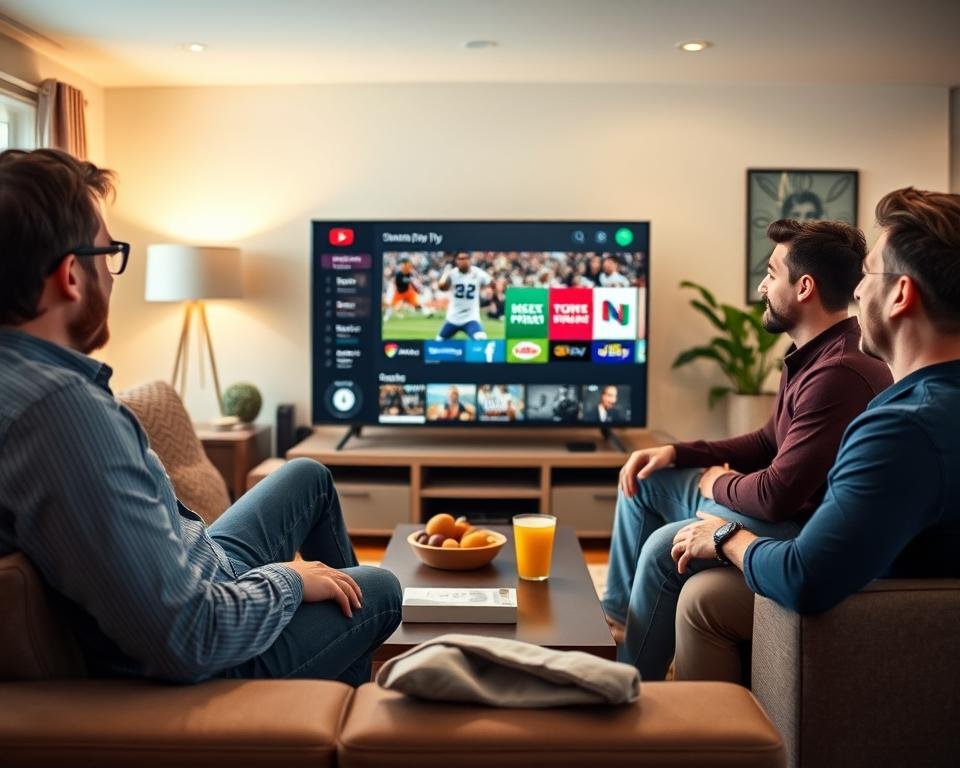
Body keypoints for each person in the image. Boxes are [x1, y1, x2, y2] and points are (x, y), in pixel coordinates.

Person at [0, 148, 402, 685]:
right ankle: (321, 713)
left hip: (204, 572)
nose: (114, 277)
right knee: (378, 588)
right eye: (110, 254)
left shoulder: (28, 383)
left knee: (308, 475)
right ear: (71, 275)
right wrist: (287, 580)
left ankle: (331, 666)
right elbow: (188, 637)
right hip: (218, 651)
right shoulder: (60, 414)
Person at [670, 187, 960, 681]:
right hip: (910, 591)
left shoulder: (902, 427)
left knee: (701, 596)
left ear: (901, 295)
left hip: (891, 620)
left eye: (868, 274)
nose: (859, 291)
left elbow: (805, 576)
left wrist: (726, 538)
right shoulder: (926, 403)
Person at [603, 218, 892, 679]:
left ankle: (627, 680)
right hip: (785, 509)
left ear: (804, 287)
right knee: (649, 477)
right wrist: (678, 453)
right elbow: (766, 441)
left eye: (772, 273)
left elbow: (779, 494)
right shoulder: (812, 352)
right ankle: (617, 626)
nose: (762, 284)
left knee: (664, 545)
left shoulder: (839, 371)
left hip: (800, 526)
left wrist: (716, 480)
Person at [436, 251, 493, 340]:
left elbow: (492, 283)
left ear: (470, 260)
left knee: (481, 339)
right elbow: (442, 288)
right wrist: (445, 274)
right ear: (456, 261)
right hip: (453, 317)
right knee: (438, 342)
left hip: (471, 317)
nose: (463, 261)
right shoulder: (452, 274)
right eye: (461, 259)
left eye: (466, 258)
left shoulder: (478, 273)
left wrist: (489, 290)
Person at [383, 257, 432, 321]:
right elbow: (400, 281)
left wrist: (414, 281)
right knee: (392, 305)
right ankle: (386, 317)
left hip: (408, 292)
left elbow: (412, 278)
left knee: (416, 305)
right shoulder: (399, 274)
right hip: (399, 292)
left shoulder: (408, 271)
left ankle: (427, 312)